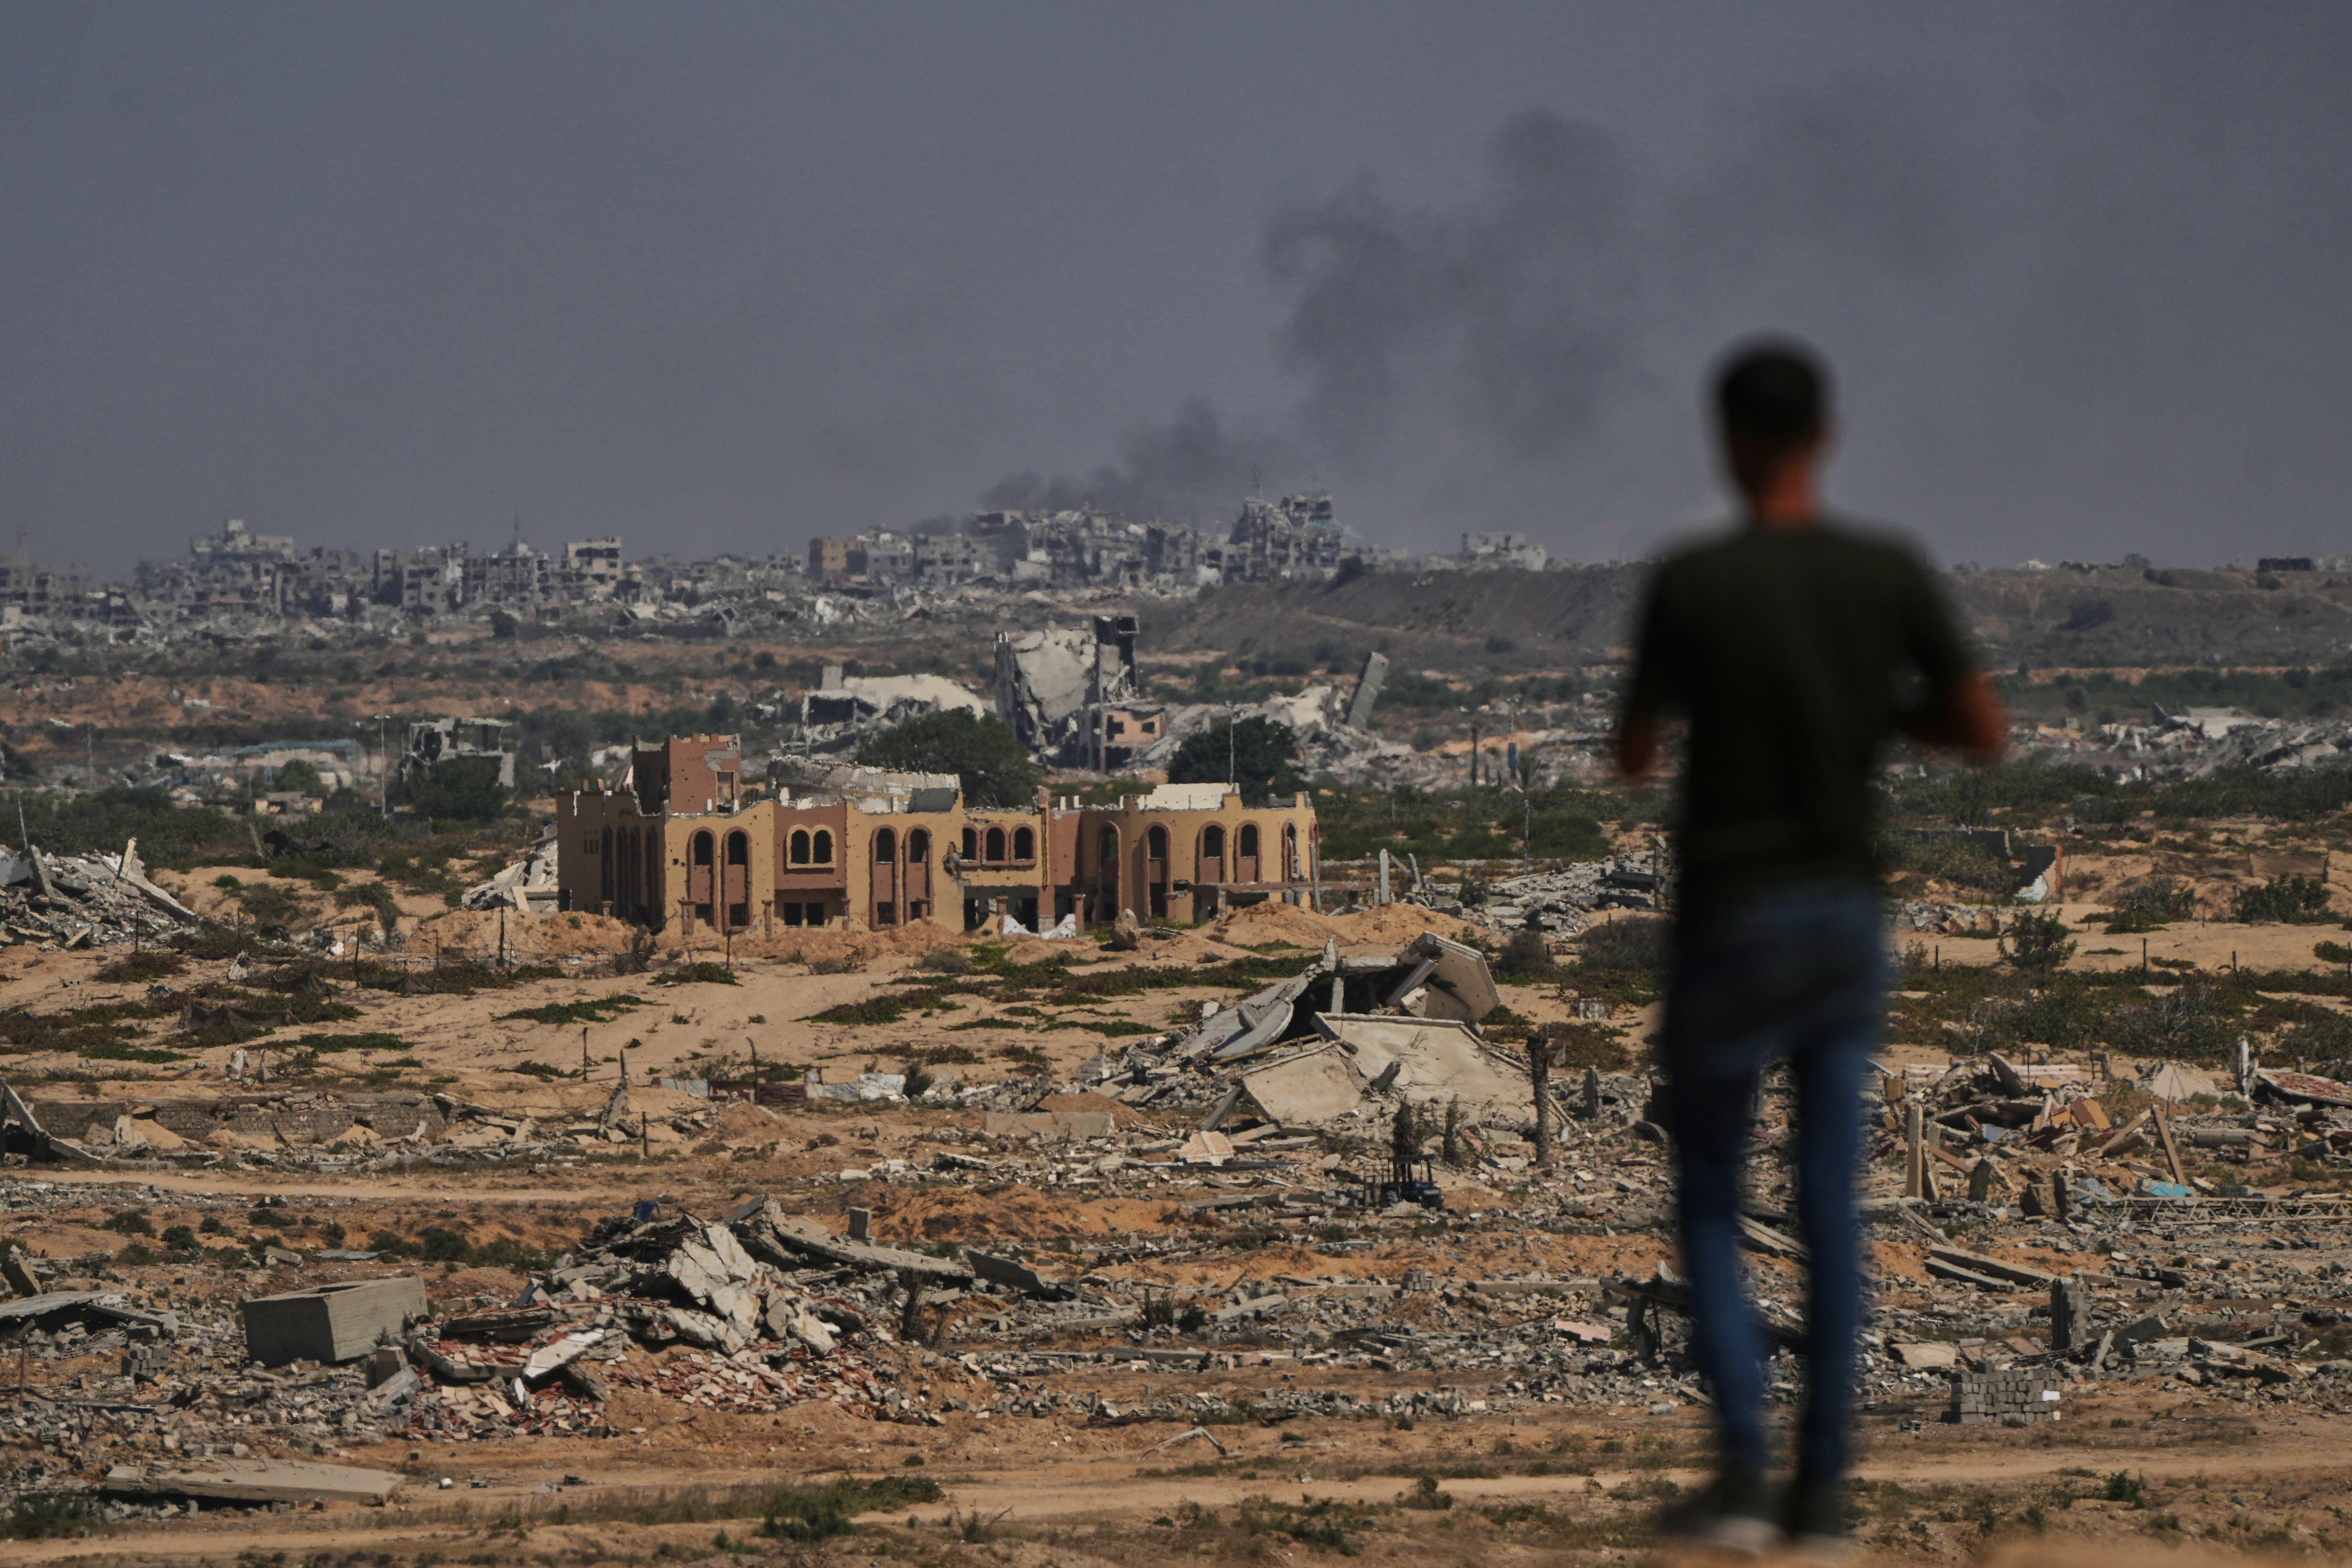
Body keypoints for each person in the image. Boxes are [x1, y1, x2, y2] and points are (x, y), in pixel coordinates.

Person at [1616, 340, 2004, 1557]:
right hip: (1843, 915)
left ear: (1724, 440)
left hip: (1731, 911)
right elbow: (1978, 727)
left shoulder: (1692, 579)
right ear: (1825, 435)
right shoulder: (1883, 572)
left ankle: (1739, 1479)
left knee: (1715, 1200)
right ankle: (1824, 1498)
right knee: (1831, 1203)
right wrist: (1867, 710)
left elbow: (1631, 751)